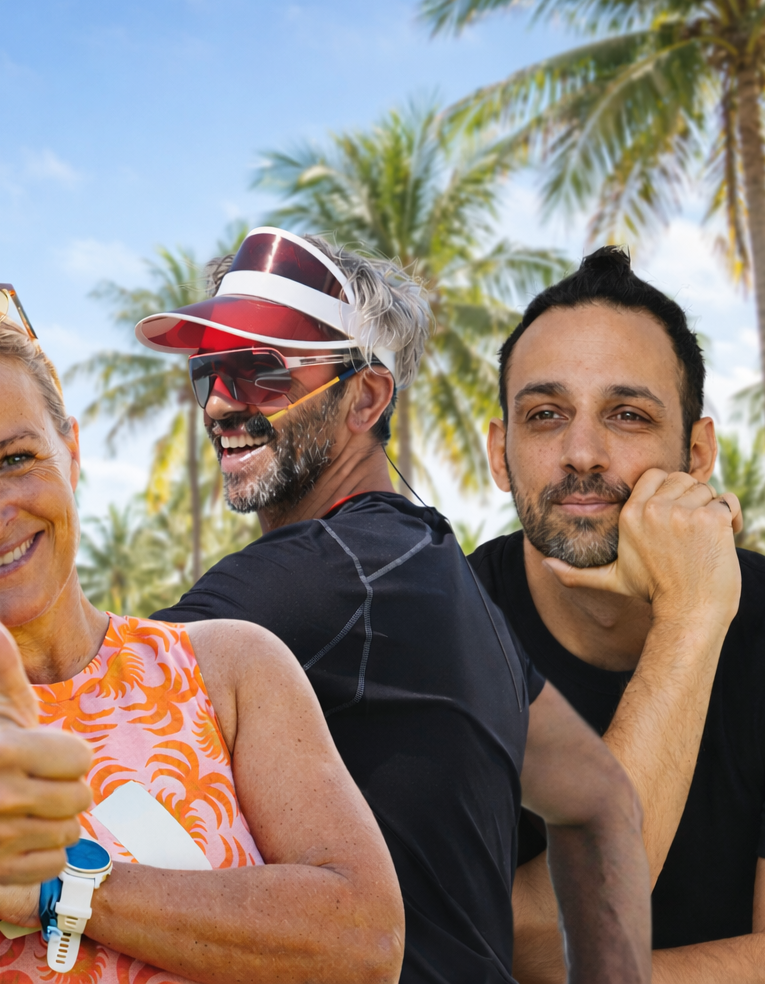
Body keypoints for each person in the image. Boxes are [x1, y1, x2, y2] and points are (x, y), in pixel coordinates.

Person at [0, 287, 405, 984]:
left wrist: (55, 884)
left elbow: (363, 943)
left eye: (16, 458)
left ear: (70, 452)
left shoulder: (231, 670)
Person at [138, 226, 651, 984]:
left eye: (261, 371)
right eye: (208, 371)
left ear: (366, 396)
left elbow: (83, 696)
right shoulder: (449, 588)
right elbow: (602, 800)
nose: (220, 403)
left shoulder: (329, 575)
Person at [467, 246, 765, 983]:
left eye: (626, 415)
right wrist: (691, 619)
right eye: (544, 415)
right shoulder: (444, 627)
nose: (582, 452)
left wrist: (693, 614)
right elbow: (510, 938)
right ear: (502, 454)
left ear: (695, 454)